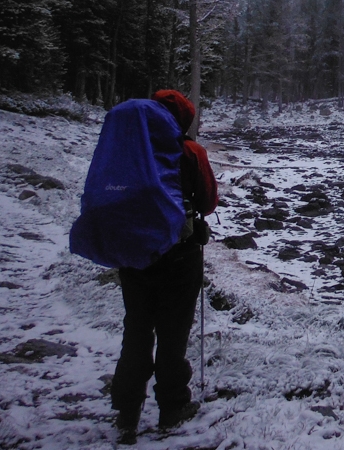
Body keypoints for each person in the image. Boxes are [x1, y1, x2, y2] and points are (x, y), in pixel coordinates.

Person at [111, 90, 218, 444]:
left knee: (136, 329)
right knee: (174, 332)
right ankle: (172, 408)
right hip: (180, 254)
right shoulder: (190, 152)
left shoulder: (128, 150)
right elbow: (207, 201)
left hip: (134, 252)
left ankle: (127, 411)